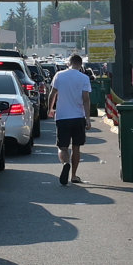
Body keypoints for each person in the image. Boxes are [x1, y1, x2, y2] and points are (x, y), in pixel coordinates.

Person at [48, 54, 92, 185]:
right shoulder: (84, 78)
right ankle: (73, 175)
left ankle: (65, 163)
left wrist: (50, 109)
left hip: (62, 116)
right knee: (76, 147)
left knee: (62, 147)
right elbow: (86, 98)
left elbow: (52, 94)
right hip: (78, 116)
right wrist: (88, 118)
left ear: (69, 63)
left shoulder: (59, 75)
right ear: (80, 64)